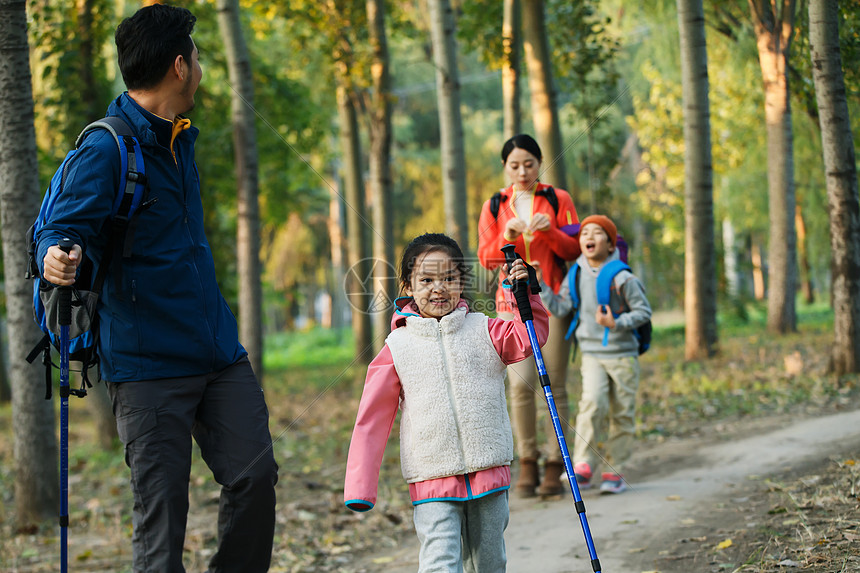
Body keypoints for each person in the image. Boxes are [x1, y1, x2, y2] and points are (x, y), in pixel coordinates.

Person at [36, 5, 278, 571]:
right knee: (162, 525)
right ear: (179, 66)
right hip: (147, 370)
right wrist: (54, 255)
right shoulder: (106, 149)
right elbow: (58, 227)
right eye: (197, 57)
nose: (200, 67)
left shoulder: (179, 136)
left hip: (217, 353)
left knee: (255, 477)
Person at [344, 233, 549, 572]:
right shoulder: (398, 347)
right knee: (440, 561)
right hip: (431, 475)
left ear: (461, 282)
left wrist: (525, 296)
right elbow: (371, 420)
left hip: (489, 468)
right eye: (426, 279)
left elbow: (528, 340)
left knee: (490, 562)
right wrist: (361, 486)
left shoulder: (486, 330)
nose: (438, 288)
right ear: (408, 284)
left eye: (449, 278)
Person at [477, 134, 581, 497]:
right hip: (511, 305)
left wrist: (550, 231)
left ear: (540, 163)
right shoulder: (494, 205)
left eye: (529, 163)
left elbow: (574, 247)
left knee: (556, 384)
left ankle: (557, 464)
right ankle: (527, 462)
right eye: (514, 165)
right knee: (520, 386)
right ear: (505, 168)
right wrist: (504, 235)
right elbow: (486, 260)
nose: (522, 171)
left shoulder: (558, 199)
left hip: (552, 301)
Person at [539, 215, 652, 494]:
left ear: (611, 243)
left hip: (623, 354)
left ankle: (615, 468)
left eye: (598, 232)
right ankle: (583, 464)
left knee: (622, 412)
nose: (589, 236)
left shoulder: (623, 277)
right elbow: (562, 307)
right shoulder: (575, 273)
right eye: (584, 232)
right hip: (591, 352)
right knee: (592, 403)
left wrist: (617, 323)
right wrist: (539, 284)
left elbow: (643, 312)